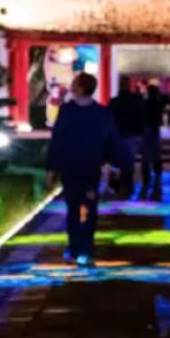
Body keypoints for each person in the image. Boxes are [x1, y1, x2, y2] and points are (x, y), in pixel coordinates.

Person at [46, 72, 121, 266]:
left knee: (74, 208)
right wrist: (113, 163)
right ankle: (83, 249)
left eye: (74, 83)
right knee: (87, 207)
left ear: (80, 87)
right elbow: (111, 140)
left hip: (74, 167)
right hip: (90, 167)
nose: (71, 86)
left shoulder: (68, 111)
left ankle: (76, 248)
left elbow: (57, 141)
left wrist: (51, 169)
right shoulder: (101, 113)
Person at [107, 78, 144, 196]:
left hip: (118, 135)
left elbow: (109, 119)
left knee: (116, 163)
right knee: (129, 162)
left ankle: (115, 186)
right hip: (132, 135)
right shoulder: (137, 100)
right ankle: (128, 186)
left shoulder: (114, 102)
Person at [141, 84, 166, 189]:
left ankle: (147, 178)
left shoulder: (144, 103)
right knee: (156, 154)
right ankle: (157, 175)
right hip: (154, 130)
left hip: (147, 130)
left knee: (146, 155)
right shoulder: (158, 103)